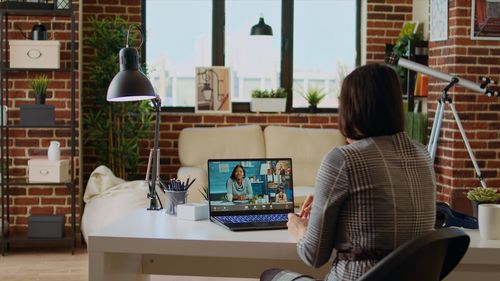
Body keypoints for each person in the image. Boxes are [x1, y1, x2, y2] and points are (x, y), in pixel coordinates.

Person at [261, 64, 436, 281]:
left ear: (349, 107)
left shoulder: (343, 160)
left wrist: (299, 229)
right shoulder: (422, 154)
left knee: (271, 275)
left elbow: (313, 255)